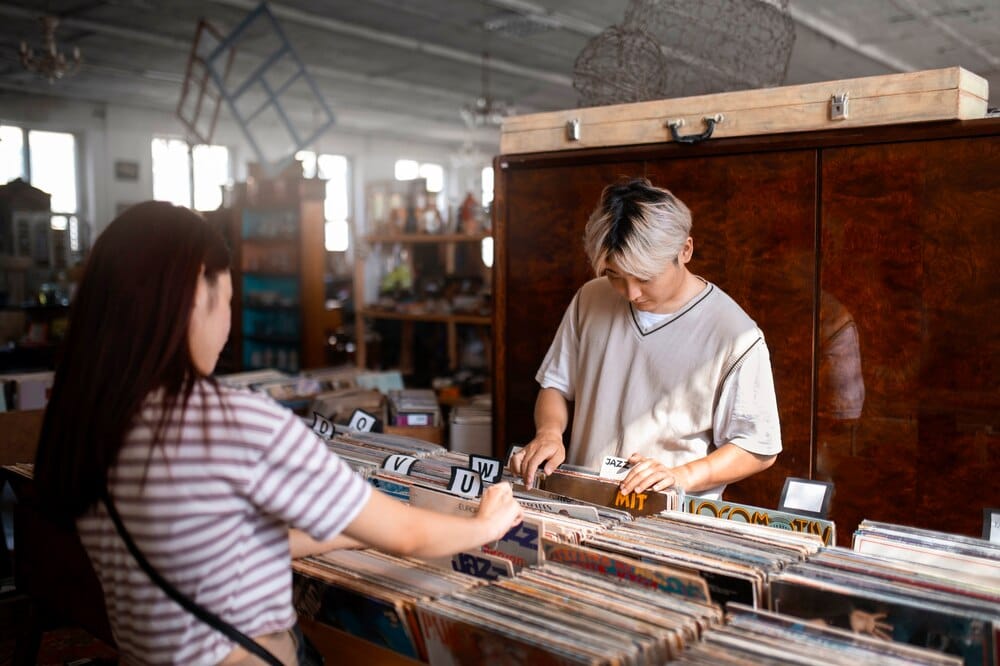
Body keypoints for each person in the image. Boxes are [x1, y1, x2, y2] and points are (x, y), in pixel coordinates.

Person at [33, 201, 523, 666]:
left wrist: (343, 535)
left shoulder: (91, 422)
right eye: (228, 301)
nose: (227, 323)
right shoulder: (230, 422)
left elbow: (214, 548)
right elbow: (408, 536)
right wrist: (485, 526)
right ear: (197, 295)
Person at [510, 178, 781, 500]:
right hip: (583, 500)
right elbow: (555, 384)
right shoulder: (590, 298)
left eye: (645, 277)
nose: (631, 293)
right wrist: (549, 433)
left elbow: (757, 448)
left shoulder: (736, 335)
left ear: (685, 250)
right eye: (614, 275)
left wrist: (680, 476)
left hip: (668, 514)